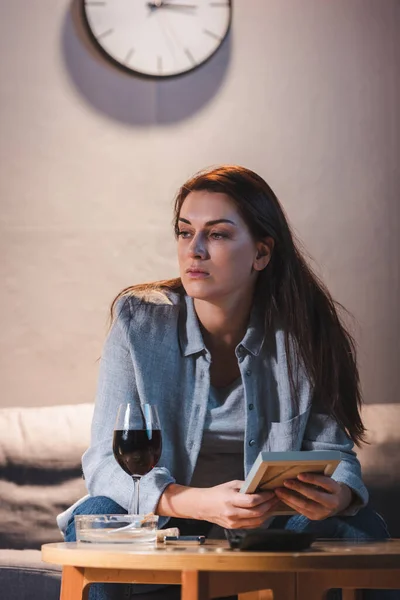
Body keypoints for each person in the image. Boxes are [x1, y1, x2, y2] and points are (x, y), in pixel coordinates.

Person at [58, 165, 397, 600]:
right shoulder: (138, 321)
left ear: (261, 253)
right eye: (184, 232)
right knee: (101, 514)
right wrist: (191, 501)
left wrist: (338, 495)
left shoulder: (304, 332)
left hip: (268, 527)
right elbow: (105, 463)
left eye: (216, 234)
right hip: (168, 520)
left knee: (358, 527)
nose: (194, 250)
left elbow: (336, 454)